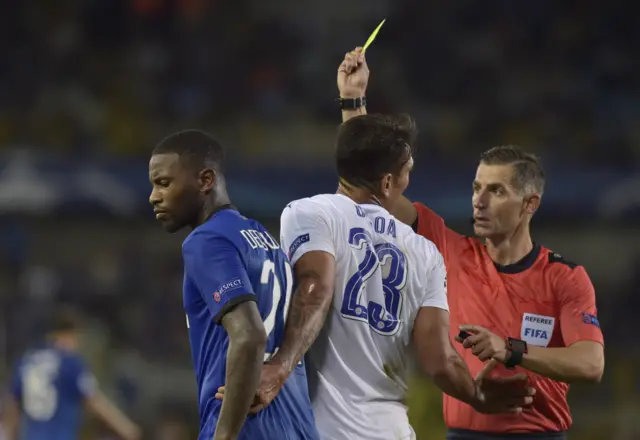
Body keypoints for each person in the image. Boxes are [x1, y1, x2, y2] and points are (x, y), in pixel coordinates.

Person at [339, 47, 605, 439]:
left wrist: (510, 349)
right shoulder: (449, 251)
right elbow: (374, 189)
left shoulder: (563, 277)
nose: (479, 200)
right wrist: (352, 102)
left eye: (496, 191)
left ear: (530, 203)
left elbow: (591, 364)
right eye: (477, 188)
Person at [218, 114, 535, 439]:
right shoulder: (426, 253)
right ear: (387, 183)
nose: (407, 180)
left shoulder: (309, 213)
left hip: (320, 429)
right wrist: (476, 396)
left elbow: (315, 288)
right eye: (407, 172)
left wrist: (279, 368)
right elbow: (441, 359)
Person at [148, 129, 319, 440]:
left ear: (205, 181)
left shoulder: (206, 240)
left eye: (163, 183)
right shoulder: (265, 241)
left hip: (248, 428)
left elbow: (250, 335)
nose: (154, 196)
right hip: (299, 426)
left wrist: (223, 436)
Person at [2, 307, 141, 440]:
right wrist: (125, 427)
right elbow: (94, 400)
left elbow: (12, 408)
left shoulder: (26, 361)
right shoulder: (70, 363)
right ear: (66, 335)